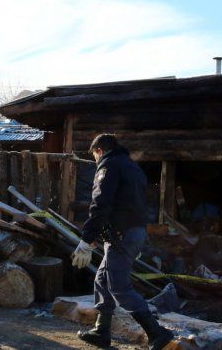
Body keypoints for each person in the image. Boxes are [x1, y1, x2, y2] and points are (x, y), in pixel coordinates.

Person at [73, 134, 174, 350]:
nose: (95, 160)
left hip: (122, 235)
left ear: (99, 150)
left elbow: (100, 205)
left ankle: (157, 333)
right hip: (133, 232)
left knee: (118, 286)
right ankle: (102, 331)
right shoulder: (132, 167)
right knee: (102, 279)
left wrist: (86, 239)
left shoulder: (109, 166)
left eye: (94, 156)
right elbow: (127, 205)